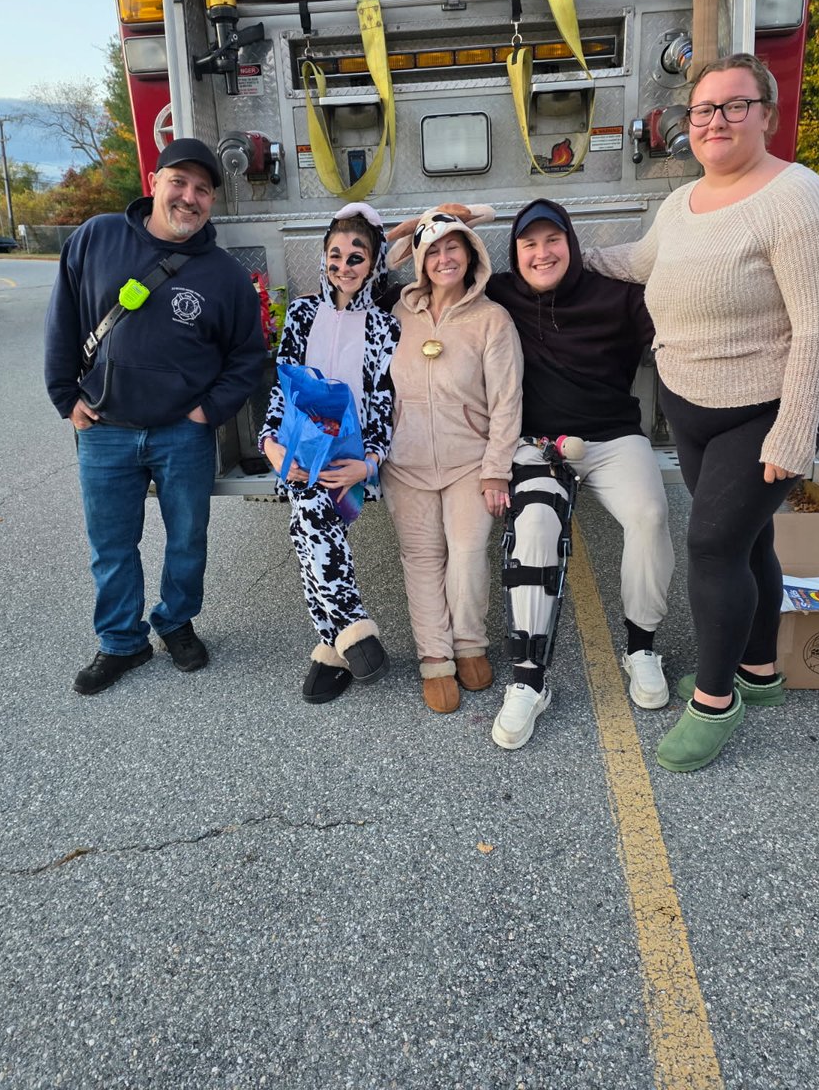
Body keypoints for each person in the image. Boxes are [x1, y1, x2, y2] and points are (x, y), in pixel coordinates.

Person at [583, 52, 819, 772]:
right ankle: (759, 673)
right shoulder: (684, 202)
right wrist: (569, 258)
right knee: (749, 543)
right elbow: (642, 262)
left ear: (767, 114)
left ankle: (714, 700)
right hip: (691, 405)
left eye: (735, 105)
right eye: (703, 110)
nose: (716, 121)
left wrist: (795, 433)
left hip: (763, 413)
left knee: (709, 546)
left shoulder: (800, 198)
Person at [44, 137, 265, 695]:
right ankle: (122, 640)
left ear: (212, 200)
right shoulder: (96, 238)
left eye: (203, 189)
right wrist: (63, 395)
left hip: (181, 435)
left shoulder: (225, 276)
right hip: (103, 430)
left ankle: (176, 621)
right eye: (179, 183)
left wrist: (206, 412)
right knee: (111, 543)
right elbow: (62, 320)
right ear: (154, 182)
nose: (189, 197)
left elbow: (248, 357)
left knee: (188, 537)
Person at [484, 199, 675, 750]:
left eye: (552, 241)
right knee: (537, 528)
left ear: (571, 243)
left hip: (613, 438)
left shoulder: (617, 296)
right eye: (528, 244)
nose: (541, 254)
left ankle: (641, 647)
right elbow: (429, 277)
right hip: (540, 444)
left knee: (649, 515)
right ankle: (528, 679)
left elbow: (677, 329)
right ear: (514, 254)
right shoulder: (501, 293)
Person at [381, 206, 523, 714]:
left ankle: (469, 644)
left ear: (471, 254)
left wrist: (495, 469)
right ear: (419, 260)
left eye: (453, 247)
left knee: (465, 555)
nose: (444, 258)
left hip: (469, 462)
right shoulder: (395, 315)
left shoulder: (492, 319)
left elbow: (508, 400)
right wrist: (403, 231)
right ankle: (435, 657)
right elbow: (351, 260)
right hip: (406, 463)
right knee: (421, 560)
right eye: (433, 250)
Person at [259, 204, 400, 703]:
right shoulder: (300, 314)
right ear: (323, 258)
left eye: (356, 256)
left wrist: (371, 460)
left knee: (309, 520)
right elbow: (282, 388)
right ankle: (348, 629)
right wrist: (271, 445)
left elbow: (385, 402)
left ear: (374, 262)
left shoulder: (385, 327)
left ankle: (334, 637)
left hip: (353, 456)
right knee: (308, 517)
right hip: (299, 448)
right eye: (335, 254)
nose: (344, 265)